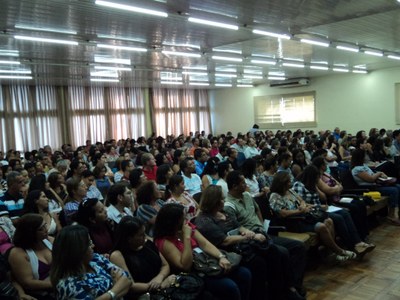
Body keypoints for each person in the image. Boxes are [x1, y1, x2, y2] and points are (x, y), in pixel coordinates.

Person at [224, 170, 307, 299]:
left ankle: (293, 286)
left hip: (263, 233)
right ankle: (284, 292)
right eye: (243, 183)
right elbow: (236, 228)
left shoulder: (247, 195)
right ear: (234, 186)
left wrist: (262, 226)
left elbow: (257, 210)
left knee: (298, 247)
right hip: (250, 239)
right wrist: (254, 233)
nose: (246, 185)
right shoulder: (229, 205)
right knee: (281, 252)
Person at [153, 203, 252, 300]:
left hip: (206, 260)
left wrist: (221, 257)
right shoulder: (164, 242)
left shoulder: (186, 225)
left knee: (244, 273)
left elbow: (204, 244)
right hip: (195, 272)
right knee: (230, 287)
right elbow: (185, 266)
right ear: (174, 222)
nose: (186, 219)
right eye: (183, 218)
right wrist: (186, 237)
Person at [194, 185, 272, 299]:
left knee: (270, 252)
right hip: (227, 252)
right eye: (221, 199)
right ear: (214, 202)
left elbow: (239, 226)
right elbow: (225, 241)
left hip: (239, 246)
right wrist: (249, 237)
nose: (224, 201)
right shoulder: (204, 221)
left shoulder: (223, 212)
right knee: (258, 264)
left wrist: (248, 232)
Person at [293, 165, 374, 256]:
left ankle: (358, 242)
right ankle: (352, 246)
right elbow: (301, 203)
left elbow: (323, 197)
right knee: (338, 218)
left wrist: (315, 187)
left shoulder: (312, 185)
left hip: (321, 209)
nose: (318, 179)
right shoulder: (299, 185)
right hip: (313, 212)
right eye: (316, 177)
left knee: (345, 213)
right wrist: (318, 206)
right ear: (311, 176)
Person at [50, 225, 131, 299]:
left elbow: (127, 280)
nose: (93, 246)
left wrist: (106, 296)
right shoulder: (68, 284)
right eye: (89, 243)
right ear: (77, 251)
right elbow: (122, 284)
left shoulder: (96, 258)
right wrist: (114, 291)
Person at [110, 216, 177, 299]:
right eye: (141, 235)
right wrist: (160, 286)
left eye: (144, 233)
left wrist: (160, 277)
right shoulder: (117, 255)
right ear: (129, 238)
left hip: (163, 284)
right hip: (143, 295)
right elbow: (130, 286)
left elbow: (165, 265)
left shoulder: (148, 243)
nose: (145, 237)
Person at [313, 156, 370, 241]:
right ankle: (358, 236)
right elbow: (328, 191)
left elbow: (340, 185)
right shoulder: (318, 178)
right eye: (325, 164)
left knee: (360, 203)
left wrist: (335, 189)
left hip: (338, 197)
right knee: (354, 208)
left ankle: (364, 232)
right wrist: (336, 189)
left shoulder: (326, 174)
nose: (327, 165)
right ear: (321, 166)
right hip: (331, 201)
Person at [8, 214, 54, 299]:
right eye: (41, 229)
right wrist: (57, 283)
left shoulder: (51, 241)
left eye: (45, 225)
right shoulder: (18, 253)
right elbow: (28, 283)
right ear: (30, 233)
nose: (46, 230)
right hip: (40, 293)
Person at [351, 148, 400, 225]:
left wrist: (381, 175)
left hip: (376, 184)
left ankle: (395, 213)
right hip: (370, 188)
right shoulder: (356, 169)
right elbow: (371, 179)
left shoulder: (363, 165)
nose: (366, 157)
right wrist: (379, 173)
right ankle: (391, 215)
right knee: (394, 190)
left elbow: (373, 174)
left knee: (398, 186)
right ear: (360, 157)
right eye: (364, 155)